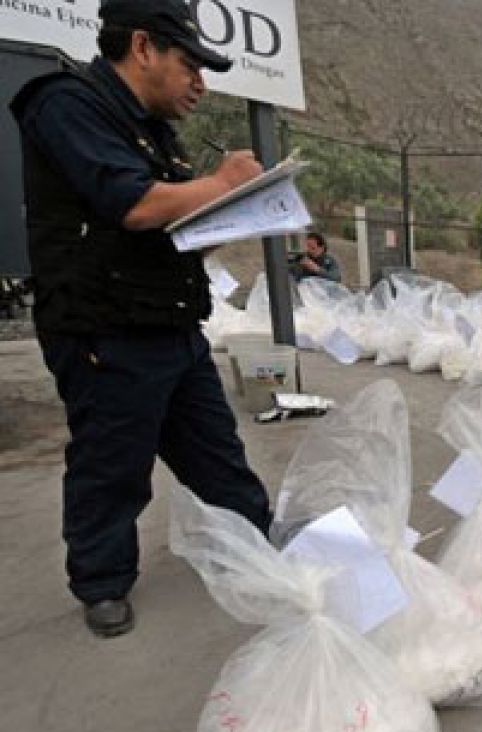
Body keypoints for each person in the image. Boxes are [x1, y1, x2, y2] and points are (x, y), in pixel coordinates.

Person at [10, 0, 273, 637]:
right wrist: (224, 183)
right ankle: (102, 581)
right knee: (113, 463)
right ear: (143, 47)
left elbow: (172, 229)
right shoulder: (67, 105)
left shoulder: (152, 129)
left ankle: (256, 538)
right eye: (191, 65)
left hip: (171, 323)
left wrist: (235, 212)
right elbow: (131, 204)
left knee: (217, 451)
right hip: (105, 329)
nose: (200, 84)